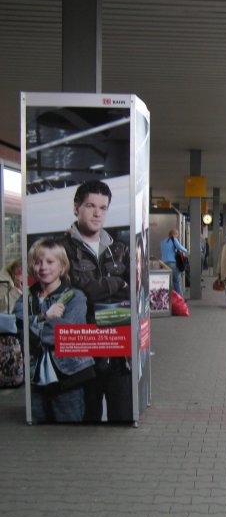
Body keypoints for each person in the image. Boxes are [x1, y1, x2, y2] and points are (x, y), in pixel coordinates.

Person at [59, 179, 131, 422]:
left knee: (122, 413)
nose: (97, 213)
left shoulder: (119, 249)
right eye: (91, 206)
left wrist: (106, 288)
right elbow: (74, 294)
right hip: (83, 348)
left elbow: (133, 290)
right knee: (87, 416)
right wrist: (116, 283)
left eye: (103, 207)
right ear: (76, 207)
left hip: (118, 346)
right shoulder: (61, 250)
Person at [14, 239, 94, 422]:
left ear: (62, 266)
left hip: (68, 380)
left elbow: (64, 336)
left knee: (68, 430)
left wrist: (34, 324)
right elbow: (21, 332)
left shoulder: (75, 297)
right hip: (36, 382)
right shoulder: (24, 301)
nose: (43, 267)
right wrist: (46, 317)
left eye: (50, 262)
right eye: (38, 262)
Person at [160, 229, 188, 297]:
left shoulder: (162, 242)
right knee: (176, 282)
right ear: (174, 234)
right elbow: (179, 247)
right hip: (172, 263)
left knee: (167, 282)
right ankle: (180, 298)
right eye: (177, 235)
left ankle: (167, 298)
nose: (177, 237)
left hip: (164, 264)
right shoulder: (174, 239)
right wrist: (186, 250)